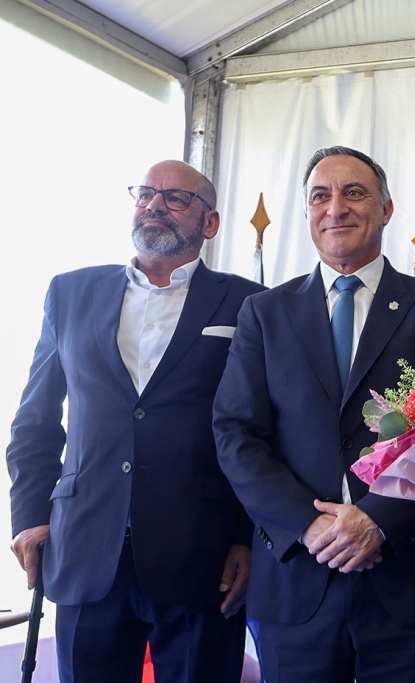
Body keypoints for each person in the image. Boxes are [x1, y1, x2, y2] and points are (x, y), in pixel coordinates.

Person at [7, 160, 264, 682]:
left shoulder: (248, 303)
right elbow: (35, 419)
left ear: (209, 223)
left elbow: (261, 430)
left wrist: (245, 536)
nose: (154, 206)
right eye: (145, 193)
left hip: (203, 554)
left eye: (175, 198)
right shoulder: (70, 292)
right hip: (83, 546)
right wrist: (30, 514)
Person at [213, 146, 415, 683]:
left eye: (354, 192)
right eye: (320, 196)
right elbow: (237, 433)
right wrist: (308, 524)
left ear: (387, 209)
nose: (336, 208)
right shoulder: (264, 313)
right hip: (296, 577)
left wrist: (378, 519)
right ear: (306, 213)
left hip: (406, 578)